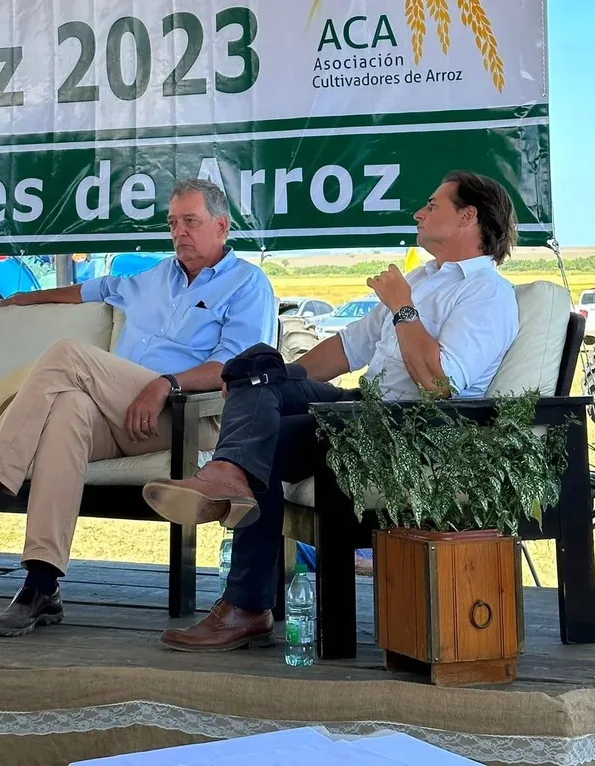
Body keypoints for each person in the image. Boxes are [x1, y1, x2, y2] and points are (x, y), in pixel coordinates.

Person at [141, 170, 522, 652]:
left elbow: (439, 384)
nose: (418, 213)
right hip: (363, 410)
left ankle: (245, 604)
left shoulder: (488, 292)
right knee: (256, 365)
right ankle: (226, 477)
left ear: (468, 216)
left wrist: (404, 308)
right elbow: (345, 349)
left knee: (264, 447)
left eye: (432, 205)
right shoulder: (424, 277)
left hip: (409, 427)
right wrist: (270, 382)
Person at [0, 177, 277, 637]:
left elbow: (237, 366)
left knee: (68, 355)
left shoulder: (247, 283)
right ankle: (40, 586)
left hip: (188, 415)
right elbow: (88, 292)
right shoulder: (154, 277)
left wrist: (165, 384)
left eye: (191, 222)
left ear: (222, 226)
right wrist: (21, 301)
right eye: (172, 223)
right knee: (67, 409)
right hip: (124, 413)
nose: (179, 232)